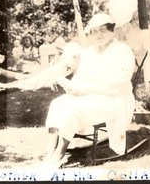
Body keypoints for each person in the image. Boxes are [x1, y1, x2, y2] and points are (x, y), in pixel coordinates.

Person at [42, 13, 136, 168]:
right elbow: (81, 77)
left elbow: (119, 82)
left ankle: (59, 153)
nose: (99, 35)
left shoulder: (123, 51)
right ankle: (50, 150)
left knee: (75, 109)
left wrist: (86, 90)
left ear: (112, 31)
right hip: (89, 94)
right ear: (91, 34)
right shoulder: (90, 52)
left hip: (114, 99)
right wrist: (73, 87)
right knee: (57, 103)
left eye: (103, 30)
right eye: (95, 31)